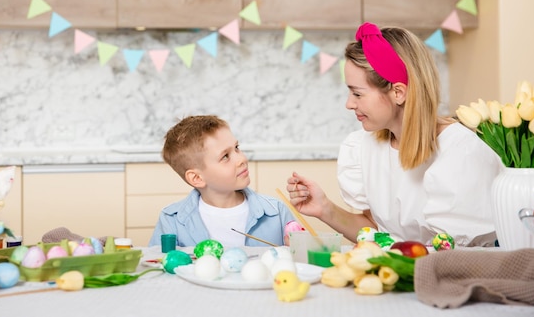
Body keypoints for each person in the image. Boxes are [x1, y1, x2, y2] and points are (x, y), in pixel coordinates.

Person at [287, 22, 504, 247]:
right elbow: (379, 234)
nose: (349, 104)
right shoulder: (366, 146)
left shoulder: (460, 151)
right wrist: (325, 209)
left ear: (398, 92)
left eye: (357, 93)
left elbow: (457, 253)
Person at [149, 115, 295, 248]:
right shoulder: (171, 220)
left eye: (237, 148)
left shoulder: (277, 212)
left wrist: (296, 251)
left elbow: (302, 264)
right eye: (225, 156)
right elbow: (159, 268)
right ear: (197, 178)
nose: (242, 159)